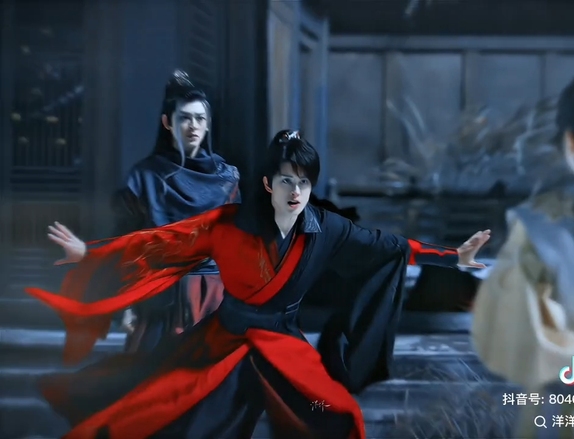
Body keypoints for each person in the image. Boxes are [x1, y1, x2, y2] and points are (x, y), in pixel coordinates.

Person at [26, 130, 490, 439]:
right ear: (268, 183)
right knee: (181, 417)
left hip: (281, 343)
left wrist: (453, 257)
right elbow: (159, 241)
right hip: (224, 341)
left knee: (334, 415)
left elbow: (391, 246)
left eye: (304, 183)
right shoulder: (227, 224)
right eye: (286, 181)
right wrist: (91, 253)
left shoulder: (326, 227)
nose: (295, 192)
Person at [471, 69, 574, 439]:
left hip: (563, 403)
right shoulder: (541, 227)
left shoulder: (537, 228)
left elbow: (509, 337)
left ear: (570, 142)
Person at [50, 70, 240, 355]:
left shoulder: (227, 178)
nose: (193, 126)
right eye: (184, 118)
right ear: (167, 122)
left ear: (208, 124)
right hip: (158, 298)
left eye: (200, 118)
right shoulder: (145, 177)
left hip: (212, 296)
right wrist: (92, 258)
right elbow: (127, 241)